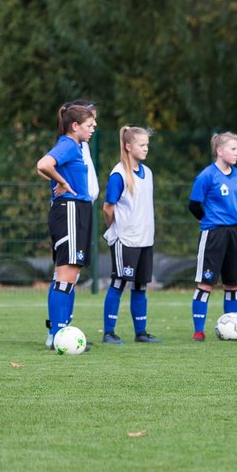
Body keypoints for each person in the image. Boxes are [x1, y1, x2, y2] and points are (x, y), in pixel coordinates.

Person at [35, 103, 98, 349]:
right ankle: (59, 335)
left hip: (77, 210)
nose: (94, 128)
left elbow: (46, 169)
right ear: (75, 126)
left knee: (69, 275)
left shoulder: (75, 146)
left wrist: (57, 179)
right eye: (90, 125)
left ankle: (60, 332)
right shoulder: (68, 144)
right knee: (65, 275)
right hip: (69, 210)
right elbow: (43, 165)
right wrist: (60, 181)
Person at [101, 126, 163, 344]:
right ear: (128, 146)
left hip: (145, 239)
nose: (146, 149)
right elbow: (108, 207)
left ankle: (141, 333)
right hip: (125, 239)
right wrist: (116, 229)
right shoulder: (119, 174)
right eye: (142, 145)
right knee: (119, 282)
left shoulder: (148, 173)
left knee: (140, 286)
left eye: (147, 144)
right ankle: (109, 332)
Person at [188, 132, 237, 341]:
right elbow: (193, 204)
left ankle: (233, 330)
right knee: (205, 283)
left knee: (233, 284)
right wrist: (207, 220)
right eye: (232, 149)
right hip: (213, 233)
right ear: (219, 151)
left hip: (235, 233)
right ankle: (198, 331)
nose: (236, 153)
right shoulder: (206, 175)